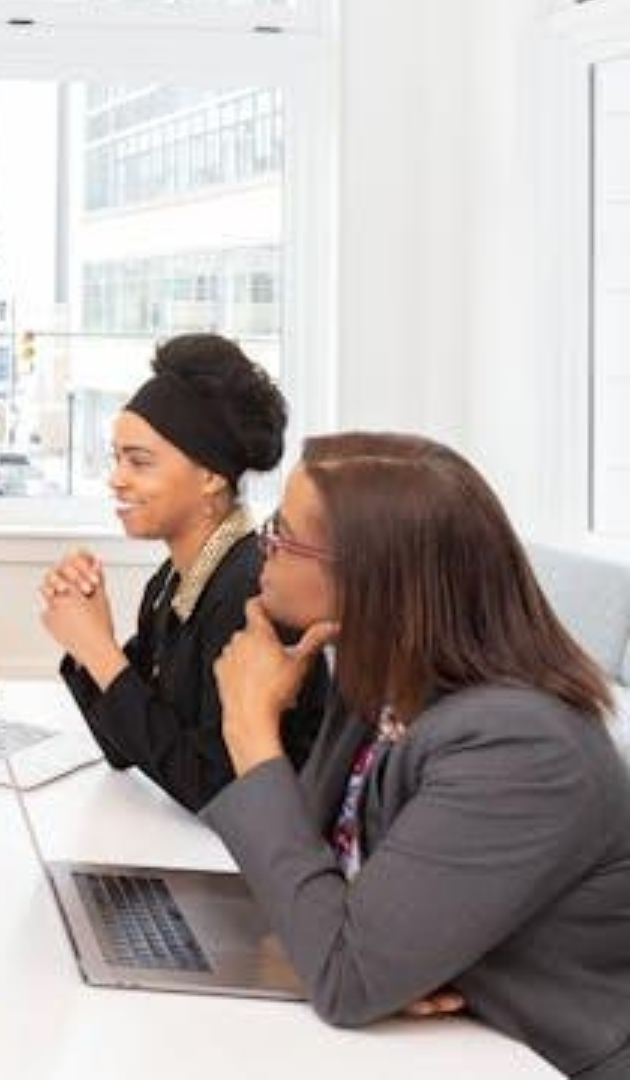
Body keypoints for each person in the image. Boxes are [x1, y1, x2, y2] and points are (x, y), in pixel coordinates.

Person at [206, 432, 630, 1078]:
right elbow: (318, 892)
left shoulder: (522, 749)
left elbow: (344, 975)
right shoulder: (375, 680)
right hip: (442, 1052)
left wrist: (251, 733)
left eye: (283, 535)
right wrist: (374, 958)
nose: (262, 549)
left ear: (369, 578)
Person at [38, 334, 326, 811]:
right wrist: (90, 638)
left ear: (211, 475)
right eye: (116, 458)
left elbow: (216, 789)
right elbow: (126, 746)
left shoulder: (251, 594)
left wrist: (98, 650)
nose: (116, 478)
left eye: (139, 462)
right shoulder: (173, 582)